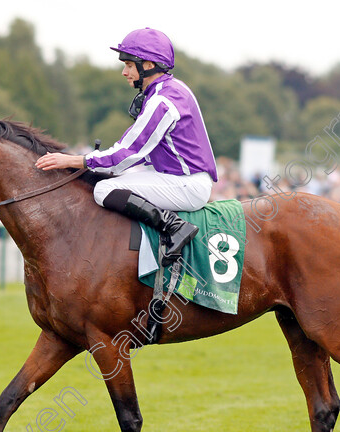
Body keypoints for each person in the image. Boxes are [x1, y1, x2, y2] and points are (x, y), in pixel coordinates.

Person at [35, 27, 217, 263]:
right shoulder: (171, 89)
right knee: (108, 181)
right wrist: (97, 165)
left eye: (129, 65)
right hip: (179, 178)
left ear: (149, 64)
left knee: (103, 191)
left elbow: (126, 154)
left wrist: (73, 160)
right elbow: (136, 153)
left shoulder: (162, 100)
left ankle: (175, 227)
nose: (124, 72)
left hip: (186, 184)